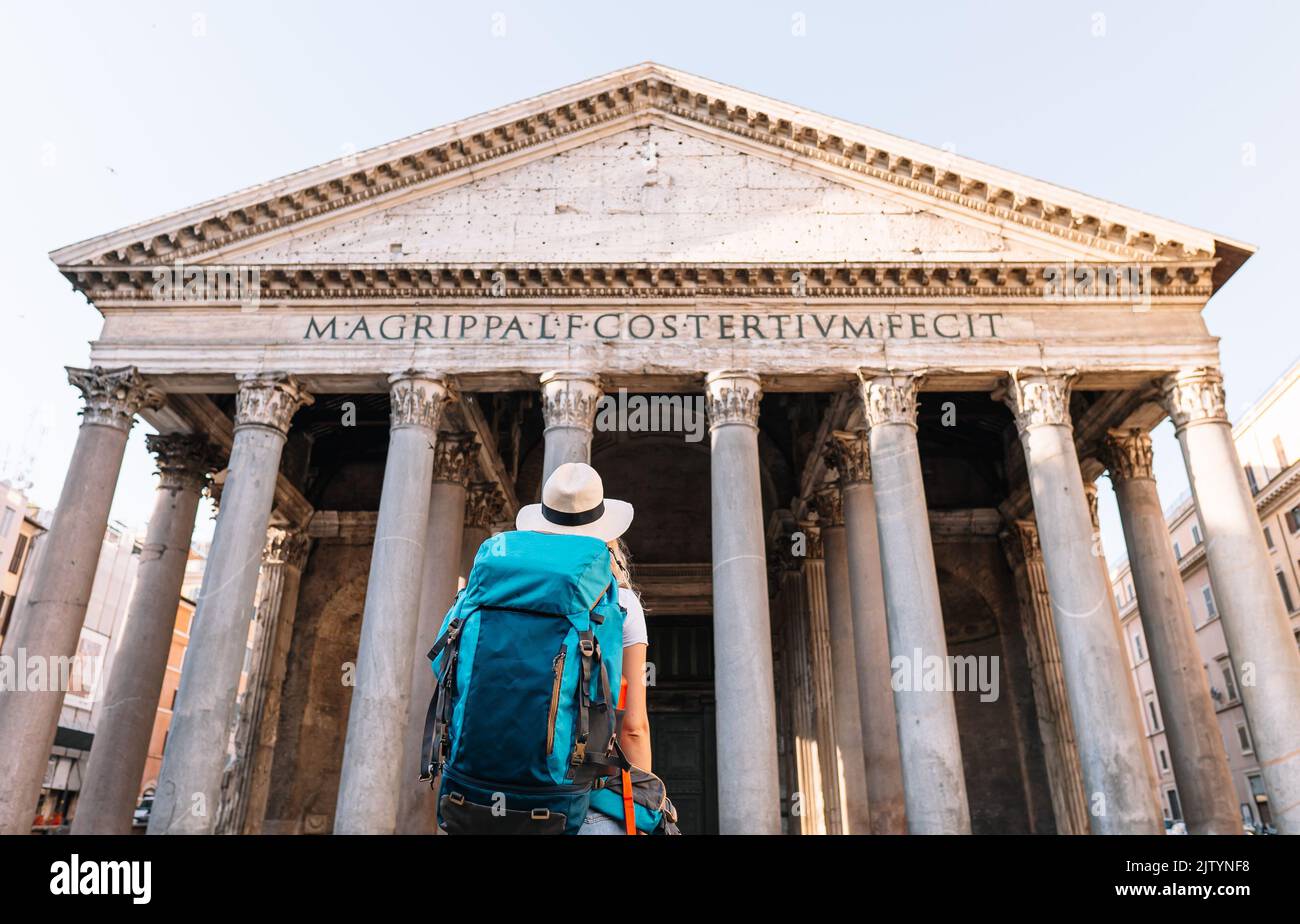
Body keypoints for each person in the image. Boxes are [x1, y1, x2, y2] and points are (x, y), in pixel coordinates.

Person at [515, 462, 650, 835]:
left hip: (493, 802)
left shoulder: (501, 598)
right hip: (585, 804)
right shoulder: (621, 604)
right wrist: (645, 806)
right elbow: (633, 727)